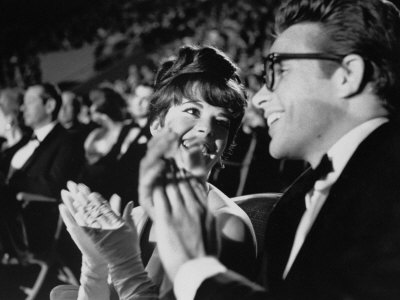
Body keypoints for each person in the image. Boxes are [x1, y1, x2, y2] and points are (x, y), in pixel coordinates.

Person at [137, 0, 400, 299]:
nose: (260, 98)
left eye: (278, 72)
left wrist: (191, 266)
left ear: (347, 75)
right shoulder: (294, 205)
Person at [51, 45, 256, 300]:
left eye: (222, 122)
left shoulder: (226, 225)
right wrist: (95, 266)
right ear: (157, 124)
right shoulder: (135, 218)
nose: (206, 129)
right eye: (192, 111)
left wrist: (122, 266)